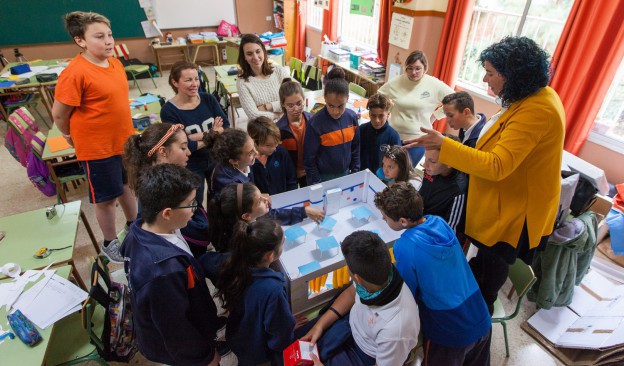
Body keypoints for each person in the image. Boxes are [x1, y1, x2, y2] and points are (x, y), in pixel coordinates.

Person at [405, 36, 565, 314]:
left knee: (493, 266)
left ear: (513, 74)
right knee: (484, 263)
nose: (485, 78)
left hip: (516, 212)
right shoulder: (528, 98)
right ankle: (472, 299)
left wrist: (445, 145)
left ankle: (478, 316)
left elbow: (496, 165)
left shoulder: (538, 109)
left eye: (490, 73)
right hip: (505, 201)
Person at [374, 182, 491, 365]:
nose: (383, 220)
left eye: (385, 217)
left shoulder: (405, 246)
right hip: (480, 317)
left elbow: (406, 296)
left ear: (403, 221)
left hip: (449, 332)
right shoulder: (439, 222)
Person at [52, 11, 137, 263]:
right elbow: (59, 114)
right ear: (81, 41)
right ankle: (109, 243)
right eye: (99, 36)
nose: (109, 41)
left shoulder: (115, 63)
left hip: (124, 142)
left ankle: (134, 226)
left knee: (126, 187)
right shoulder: (75, 72)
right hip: (97, 149)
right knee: (106, 199)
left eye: (109, 35)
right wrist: (69, 135)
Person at [120, 164, 220, 366]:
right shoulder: (163, 273)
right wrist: (205, 358)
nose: (195, 210)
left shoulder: (142, 226)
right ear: (167, 213)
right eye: (191, 204)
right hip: (181, 348)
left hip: (187, 310)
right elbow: (176, 329)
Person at [299, 231, 420, 366]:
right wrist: (320, 325)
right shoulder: (377, 276)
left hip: (365, 355)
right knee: (298, 345)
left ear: (357, 278)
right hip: (350, 328)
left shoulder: (396, 330)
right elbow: (351, 294)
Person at [207, 219, 294, 366]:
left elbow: (205, 261)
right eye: (283, 242)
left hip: (237, 335)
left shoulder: (233, 262)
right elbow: (280, 334)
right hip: (258, 349)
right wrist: (289, 326)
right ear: (270, 256)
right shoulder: (273, 290)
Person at [123, 123, 210, 257]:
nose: (189, 152)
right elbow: (191, 231)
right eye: (183, 147)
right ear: (163, 151)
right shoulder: (162, 192)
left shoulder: (164, 180)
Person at [160, 61, 228, 206]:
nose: (194, 84)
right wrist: (212, 133)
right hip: (190, 164)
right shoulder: (168, 110)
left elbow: (226, 127)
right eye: (188, 80)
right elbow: (183, 145)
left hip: (216, 157)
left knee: (220, 198)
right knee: (194, 203)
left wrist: (193, 137)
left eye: (196, 79)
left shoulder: (208, 99)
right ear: (175, 82)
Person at [377, 50, 454, 166]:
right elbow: (378, 97)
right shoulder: (397, 81)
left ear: (425, 68)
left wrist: (435, 116)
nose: (413, 72)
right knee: (385, 171)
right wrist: (388, 111)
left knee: (404, 175)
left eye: (418, 68)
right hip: (393, 136)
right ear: (405, 68)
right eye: (410, 68)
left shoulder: (433, 84)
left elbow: (454, 100)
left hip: (417, 140)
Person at [207, 182, 324, 252]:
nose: (266, 200)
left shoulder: (255, 217)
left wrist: (304, 211)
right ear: (247, 216)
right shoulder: (246, 243)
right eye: (259, 201)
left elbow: (274, 216)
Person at [304, 68, 360, 184]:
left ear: (347, 99)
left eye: (340, 106)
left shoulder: (352, 118)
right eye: (331, 106)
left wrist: (354, 173)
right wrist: (317, 182)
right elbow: (309, 159)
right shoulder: (315, 123)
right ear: (325, 99)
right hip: (322, 177)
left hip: (345, 174)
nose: (336, 111)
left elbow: (355, 149)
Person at [419, 135, 467, 234]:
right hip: (418, 223)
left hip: (432, 235)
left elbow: (449, 232)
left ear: (450, 162)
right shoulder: (431, 171)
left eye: (432, 161)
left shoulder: (458, 190)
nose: (424, 165)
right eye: (426, 158)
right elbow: (420, 194)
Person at [236, 33, 289, 120]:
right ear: (244, 57)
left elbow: (294, 97)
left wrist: (268, 106)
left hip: (286, 125)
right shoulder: (242, 82)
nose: (255, 57)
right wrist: (278, 115)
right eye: (249, 54)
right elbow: (253, 115)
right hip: (262, 129)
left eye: (258, 51)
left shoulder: (278, 70)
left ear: (263, 51)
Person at [248, 116, 297, 195]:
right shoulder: (248, 163)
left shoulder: (281, 152)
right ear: (254, 141)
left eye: (276, 143)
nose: (274, 148)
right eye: (268, 145)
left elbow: (292, 180)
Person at [276, 78, 312, 187]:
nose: (296, 109)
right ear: (283, 105)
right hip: (290, 175)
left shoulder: (313, 121)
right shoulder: (278, 129)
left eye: (299, 103)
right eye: (290, 106)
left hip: (310, 171)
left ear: (304, 99)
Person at [204, 128, 257, 198]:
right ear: (234, 161)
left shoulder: (245, 162)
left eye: (254, 147)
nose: (256, 153)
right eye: (250, 153)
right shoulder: (230, 185)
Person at [357, 93, 401, 173]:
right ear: (369, 114)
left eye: (381, 116)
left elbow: (396, 163)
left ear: (388, 115)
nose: (377, 120)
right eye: (373, 115)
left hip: (382, 178)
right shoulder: (361, 130)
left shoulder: (393, 136)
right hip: (360, 174)